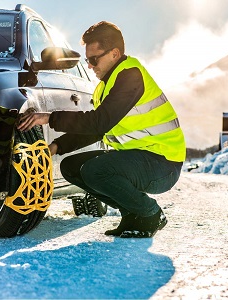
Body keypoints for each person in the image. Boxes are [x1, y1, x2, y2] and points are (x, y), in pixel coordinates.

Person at [17, 21, 186, 238]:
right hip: (140, 158)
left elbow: (100, 122)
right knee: (71, 167)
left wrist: (49, 118)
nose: (89, 65)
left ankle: (150, 213)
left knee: (95, 171)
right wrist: (56, 147)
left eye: (94, 59)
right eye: (87, 60)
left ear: (115, 53)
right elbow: (97, 130)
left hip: (163, 164)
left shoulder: (130, 75)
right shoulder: (105, 86)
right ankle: (133, 214)